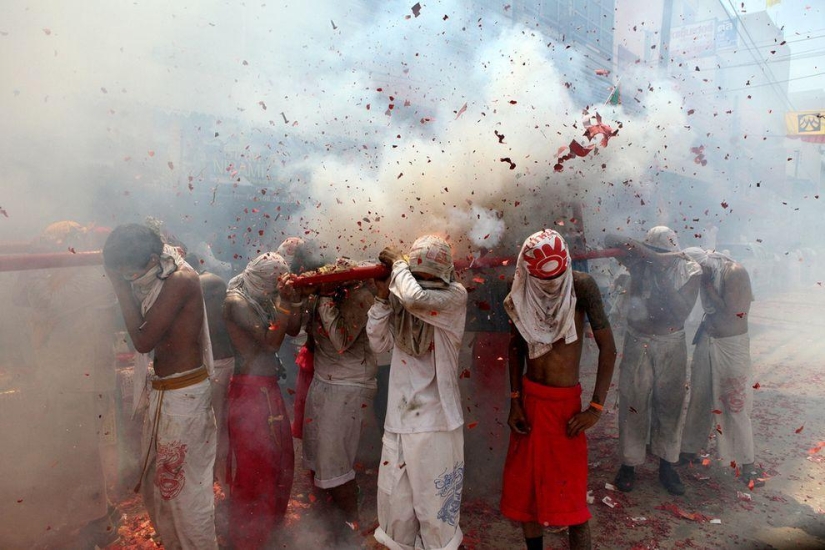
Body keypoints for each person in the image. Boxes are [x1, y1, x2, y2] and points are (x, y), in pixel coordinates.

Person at [102, 224, 218, 550]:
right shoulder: (156, 275)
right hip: (165, 391)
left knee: (184, 495)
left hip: (184, 396)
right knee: (163, 490)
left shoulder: (180, 280)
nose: (127, 280)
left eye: (129, 274)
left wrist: (118, 286)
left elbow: (142, 340)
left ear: (154, 258)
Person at [500, 229, 616, 550]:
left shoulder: (582, 286)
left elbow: (609, 348)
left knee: (574, 502)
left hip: (566, 410)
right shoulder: (521, 288)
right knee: (528, 496)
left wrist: (594, 409)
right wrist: (515, 401)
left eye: (556, 279)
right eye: (543, 282)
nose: (551, 287)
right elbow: (515, 346)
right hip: (530, 404)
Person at [15, 221, 121, 548]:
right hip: (68, 374)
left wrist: (34, 263)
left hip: (82, 378)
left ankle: (99, 521)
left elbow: (47, 302)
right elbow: (25, 298)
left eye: (53, 242)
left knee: (84, 452)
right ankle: (100, 513)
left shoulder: (91, 274)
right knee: (77, 450)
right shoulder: (70, 272)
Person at [367, 235, 468, 550]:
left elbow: (417, 300)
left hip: (436, 425)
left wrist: (398, 266)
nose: (422, 284)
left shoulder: (454, 296)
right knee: (395, 519)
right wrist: (383, 300)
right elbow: (379, 343)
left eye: (428, 279)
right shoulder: (403, 293)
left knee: (437, 524)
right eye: (417, 278)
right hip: (398, 425)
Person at [605, 226, 701, 496]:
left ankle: (667, 465)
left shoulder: (689, 270)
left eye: (663, 253)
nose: (660, 257)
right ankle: (629, 464)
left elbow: (681, 311)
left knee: (670, 405)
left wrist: (660, 270)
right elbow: (609, 238)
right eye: (655, 252)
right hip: (638, 339)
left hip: (671, 342)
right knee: (633, 403)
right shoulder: (638, 260)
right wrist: (647, 254)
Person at [223, 252, 301, 550]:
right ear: (263, 279)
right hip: (249, 390)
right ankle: (249, 539)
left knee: (279, 461)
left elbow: (292, 328)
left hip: (267, 388)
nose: (274, 291)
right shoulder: (237, 301)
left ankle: (270, 532)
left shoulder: (262, 295)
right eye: (274, 286)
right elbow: (270, 343)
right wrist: (282, 301)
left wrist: (292, 300)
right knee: (255, 467)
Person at [297, 257, 378, 545]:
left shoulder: (362, 295)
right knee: (317, 462)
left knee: (336, 468)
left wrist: (326, 298)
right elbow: (300, 336)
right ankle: (327, 527)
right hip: (322, 382)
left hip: (348, 386)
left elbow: (341, 341)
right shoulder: (321, 295)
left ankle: (350, 533)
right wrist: (302, 299)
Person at [678, 247, 763, 488]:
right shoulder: (705, 273)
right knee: (700, 397)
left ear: (704, 266)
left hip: (731, 347)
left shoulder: (734, 272)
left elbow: (733, 314)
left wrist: (707, 286)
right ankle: (689, 450)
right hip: (708, 341)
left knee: (735, 404)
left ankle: (747, 464)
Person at [199, 269, 235, 491]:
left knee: (219, 429)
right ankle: (224, 483)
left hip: (219, 368)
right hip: (218, 367)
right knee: (220, 428)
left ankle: (224, 483)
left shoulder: (208, 287)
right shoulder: (212, 286)